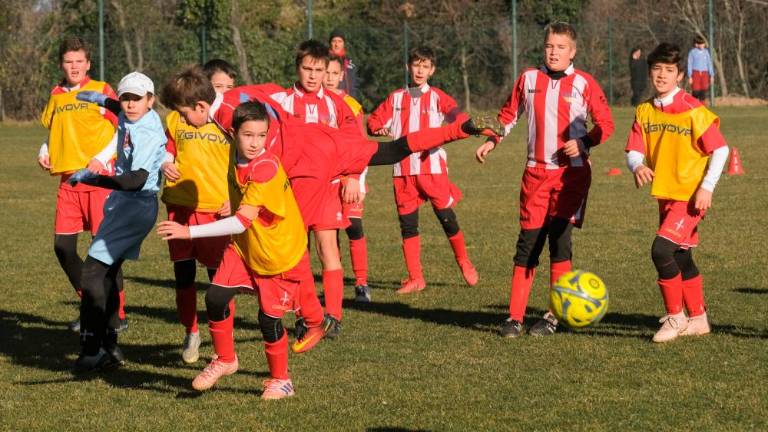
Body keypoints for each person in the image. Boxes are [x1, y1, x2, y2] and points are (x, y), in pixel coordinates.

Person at [157, 102, 327, 399]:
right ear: (233, 133)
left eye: (261, 136)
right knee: (215, 297)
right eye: (249, 135)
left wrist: (188, 231)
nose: (255, 143)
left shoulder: (265, 168)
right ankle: (225, 359)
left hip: (277, 252)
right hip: (246, 246)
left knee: (268, 319)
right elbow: (209, 105)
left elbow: (239, 222)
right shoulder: (230, 153)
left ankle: (281, 380)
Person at [475, 22, 614, 338]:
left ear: (572, 51)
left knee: (559, 241)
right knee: (527, 245)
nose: (554, 52)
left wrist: (584, 142)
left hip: (571, 176)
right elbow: (508, 116)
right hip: (535, 174)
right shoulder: (528, 79)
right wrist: (491, 140)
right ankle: (514, 317)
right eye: (550, 46)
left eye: (561, 47)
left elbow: (606, 124)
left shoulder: (584, 83)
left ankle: (553, 315)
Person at [625, 42, 727, 343]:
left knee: (661, 250)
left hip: (690, 196)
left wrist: (707, 188)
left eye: (669, 70)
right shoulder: (644, 111)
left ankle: (675, 316)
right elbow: (633, 150)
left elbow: (720, 149)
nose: (662, 75)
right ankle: (698, 318)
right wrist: (637, 166)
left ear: (679, 75)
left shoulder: (694, 110)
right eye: (657, 69)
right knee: (681, 257)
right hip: (666, 195)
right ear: (650, 72)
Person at [69, 71, 167, 371]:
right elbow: (119, 109)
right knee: (107, 273)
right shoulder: (131, 113)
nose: (129, 104)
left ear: (151, 101)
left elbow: (136, 180)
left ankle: (91, 348)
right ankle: (109, 344)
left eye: (137, 98)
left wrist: (96, 179)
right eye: (126, 97)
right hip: (127, 205)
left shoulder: (146, 132)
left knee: (92, 273)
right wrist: (102, 100)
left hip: (134, 204)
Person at [367, 46, 478, 295]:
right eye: (416, 65)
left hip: (432, 168)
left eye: (425, 66)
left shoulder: (438, 97)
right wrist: (379, 129)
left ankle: (464, 262)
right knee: (408, 225)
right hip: (403, 170)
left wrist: (470, 125)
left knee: (447, 218)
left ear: (432, 70)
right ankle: (415, 278)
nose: (420, 70)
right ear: (409, 67)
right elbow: (373, 122)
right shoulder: (396, 98)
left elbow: (458, 118)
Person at [38, 36, 127, 334]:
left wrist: (102, 159)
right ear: (61, 64)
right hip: (68, 182)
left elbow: (124, 129)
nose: (73, 66)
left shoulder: (101, 90)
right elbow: (54, 130)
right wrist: (44, 151)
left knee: (104, 250)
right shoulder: (57, 94)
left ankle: (118, 314)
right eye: (68, 61)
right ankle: (91, 303)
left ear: (88, 63)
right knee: (63, 248)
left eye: (79, 61)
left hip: (100, 182)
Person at [160, 60, 236, 364]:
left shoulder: (227, 121)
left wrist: (236, 198)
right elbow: (167, 148)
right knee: (183, 274)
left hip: (215, 209)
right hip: (179, 205)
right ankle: (191, 331)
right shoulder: (177, 120)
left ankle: (224, 342)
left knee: (219, 281)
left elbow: (244, 162)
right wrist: (165, 162)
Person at [325, 53, 371, 302]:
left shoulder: (352, 105)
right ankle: (336, 282)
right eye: (326, 73)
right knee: (328, 231)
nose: (330, 78)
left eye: (335, 73)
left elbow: (361, 145)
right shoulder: (314, 103)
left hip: (349, 177)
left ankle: (361, 283)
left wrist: (359, 180)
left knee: (354, 226)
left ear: (342, 76)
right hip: (324, 179)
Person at [329, 29, 359, 99]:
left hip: (348, 102)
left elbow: (354, 86)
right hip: (331, 100)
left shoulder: (351, 64)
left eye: (340, 41)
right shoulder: (324, 61)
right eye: (334, 41)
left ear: (344, 44)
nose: (336, 44)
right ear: (330, 43)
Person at [687, 35, 714, 104]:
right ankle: (693, 105)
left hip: (705, 73)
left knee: (703, 91)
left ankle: (702, 107)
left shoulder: (706, 52)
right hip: (695, 73)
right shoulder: (692, 52)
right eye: (701, 44)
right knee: (696, 91)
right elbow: (690, 64)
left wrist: (712, 75)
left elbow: (709, 63)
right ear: (696, 44)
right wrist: (690, 76)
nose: (703, 45)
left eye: (703, 43)